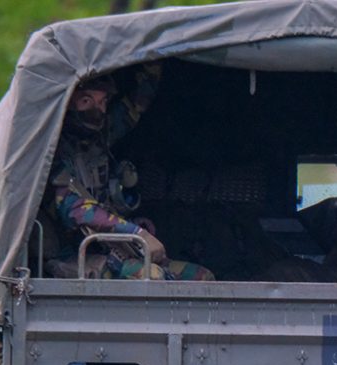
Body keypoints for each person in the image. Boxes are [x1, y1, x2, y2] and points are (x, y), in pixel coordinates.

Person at [44, 64, 214, 281]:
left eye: (103, 102)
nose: (98, 111)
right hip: (74, 255)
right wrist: (135, 233)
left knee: (201, 276)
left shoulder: (99, 141)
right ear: (68, 104)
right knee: (152, 277)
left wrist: (154, 62)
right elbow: (75, 210)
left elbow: (136, 105)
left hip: (111, 248)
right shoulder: (52, 153)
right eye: (87, 101)